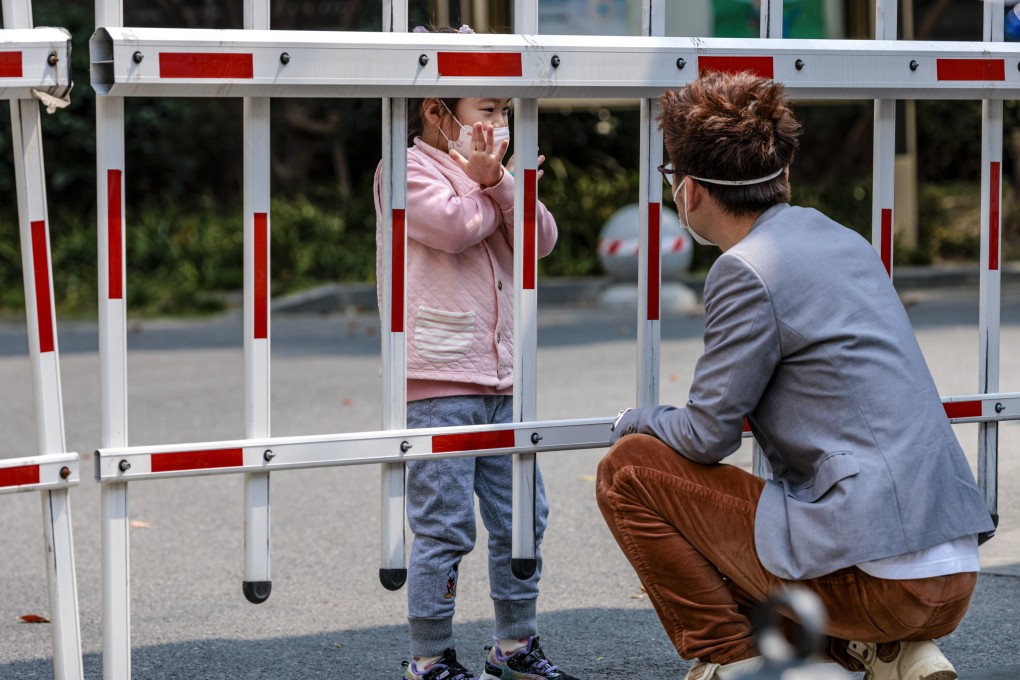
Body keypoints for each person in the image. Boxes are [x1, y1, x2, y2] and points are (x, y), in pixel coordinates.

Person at [595, 71, 996, 680]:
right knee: (781, 516)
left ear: (691, 191)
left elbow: (706, 435)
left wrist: (633, 419)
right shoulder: (844, 240)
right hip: (952, 576)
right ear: (782, 174)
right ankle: (885, 651)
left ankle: (742, 661)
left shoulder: (745, 269)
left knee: (627, 471)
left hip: (873, 578)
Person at [374, 24, 576, 680]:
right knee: (445, 525)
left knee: (525, 513)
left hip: (502, 376)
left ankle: (516, 643)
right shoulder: (403, 170)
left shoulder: (497, 176)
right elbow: (456, 229)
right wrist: (489, 185)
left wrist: (501, 183)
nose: (500, 121)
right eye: (486, 109)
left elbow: (540, 240)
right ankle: (429, 655)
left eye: (504, 110)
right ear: (438, 113)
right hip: (438, 376)